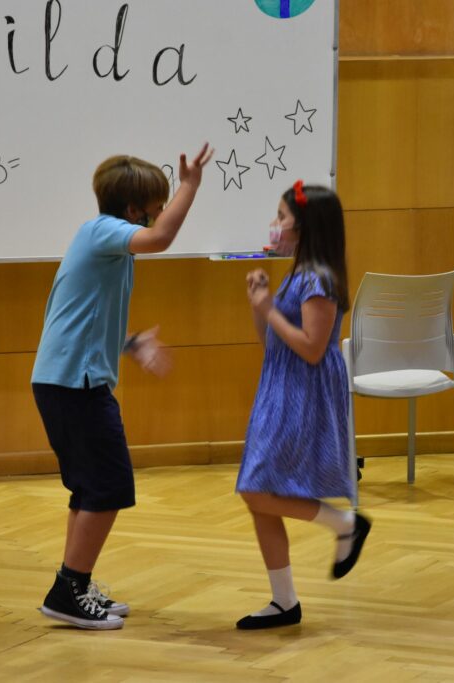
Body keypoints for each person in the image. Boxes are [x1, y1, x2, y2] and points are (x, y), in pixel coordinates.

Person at [31, 143, 213, 629]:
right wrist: (191, 186)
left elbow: (82, 316)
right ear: (133, 210)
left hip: (65, 381)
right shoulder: (105, 233)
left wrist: (129, 342)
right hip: (75, 385)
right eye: (155, 203)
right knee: (109, 488)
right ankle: (68, 589)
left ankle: (76, 584)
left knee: (89, 489)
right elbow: (162, 237)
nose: (159, 210)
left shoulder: (102, 240)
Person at [235, 180, 370, 630]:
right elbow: (272, 342)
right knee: (260, 496)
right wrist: (261, 307)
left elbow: (313, 348)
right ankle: (283, 601)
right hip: (278, 385)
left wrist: (269, 308)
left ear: (304, 226)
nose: (275, 225)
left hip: (301, 393)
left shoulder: (319, 280)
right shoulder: (298, 273)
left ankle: (345, 523)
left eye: (282, 217)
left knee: (257, 489)